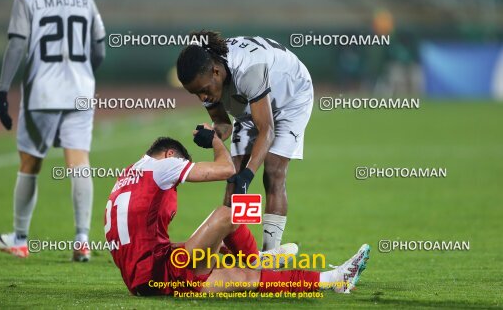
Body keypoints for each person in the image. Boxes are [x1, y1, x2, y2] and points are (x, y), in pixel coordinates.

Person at [105, 124, 370, 296]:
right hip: (158, 271)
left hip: (144, 280)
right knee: (226, 214)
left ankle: (336, 278)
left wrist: (186, 247)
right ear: (170, 154)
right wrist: (216, 142)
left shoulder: (125, 178)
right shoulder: (162, 165)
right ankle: (257, 257)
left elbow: (136, 244)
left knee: (245, 277)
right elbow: (227, 170)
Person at [0, 0, 106, 262]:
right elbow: (99, 49)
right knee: (79, 162)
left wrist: (3, 90)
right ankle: (82, 239)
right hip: (81, 90)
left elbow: (17, 44)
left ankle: (19, 238)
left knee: (29, 162)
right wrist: (83, 76)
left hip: (42, 92)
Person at [176, 31, 314, 251]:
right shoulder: (207, 79)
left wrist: (248, 174)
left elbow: (266, 130)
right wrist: (212, 137)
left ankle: (269, 258)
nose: (203, 98)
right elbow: (224, 125)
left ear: (216, 71)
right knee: (233, 178)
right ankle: (235, 253)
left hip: (291, 98)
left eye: (203, 91)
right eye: (196, 94)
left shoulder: (249, 70)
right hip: (253, 102)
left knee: (273, 171)